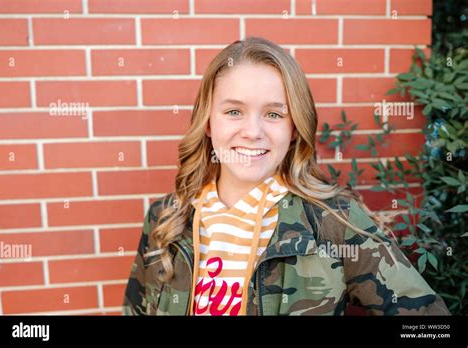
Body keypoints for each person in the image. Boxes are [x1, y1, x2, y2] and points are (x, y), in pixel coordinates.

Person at [122, 37, 450, 316]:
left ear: (294, 129)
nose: (252, 132)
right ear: (208, 122)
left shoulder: (334, 221)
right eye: (234, 111)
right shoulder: (166, 218)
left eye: (274, 114)